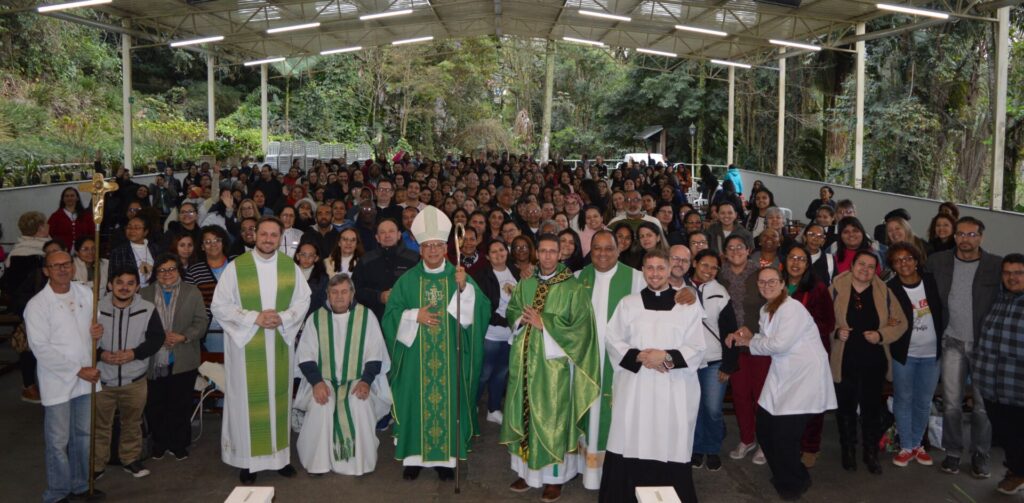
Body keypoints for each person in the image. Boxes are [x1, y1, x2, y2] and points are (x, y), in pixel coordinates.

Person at [380, 206, 491, 481]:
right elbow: (390, 316)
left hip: (450, 359)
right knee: (413, 402)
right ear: (419, 250)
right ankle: (413, 458)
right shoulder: (407, 281)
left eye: (438, 246)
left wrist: (465, 290)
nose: (432, 251)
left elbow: (481, 311)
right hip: (414, 359)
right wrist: (412, 315)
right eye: (427, 246)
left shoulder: (459, 277)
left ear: (446, 248)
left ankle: (446, 459)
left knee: (447, 402)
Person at [598, 248, 705, 503]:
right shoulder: (629, 303)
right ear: (642, 271)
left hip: (673, 386)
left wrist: (665, 357)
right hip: (636, 386)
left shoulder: (686, 305)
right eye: (650, 268)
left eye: (660, 268)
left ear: (670, 270)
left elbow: (697, 347)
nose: (655, 273)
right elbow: (612, 338)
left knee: (668, 437)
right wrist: (640, 356)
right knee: (631, 434)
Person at [210, 217, 312, 484]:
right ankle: (248, 462)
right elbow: (219, 305)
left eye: (273, 235)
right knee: (247, 401)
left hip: (278, 342)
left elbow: (303, 301)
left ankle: (280, 459)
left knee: (278, 399)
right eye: (264, 234)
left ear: (280, 239)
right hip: (247, 348)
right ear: (255, 235)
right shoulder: (237, 267)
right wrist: (254, 317)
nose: (268, 239)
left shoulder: (289, 267)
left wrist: (284, 317)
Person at [726, 267, 837, 501]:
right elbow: (768, 341)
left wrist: (747, 342)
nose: (766, 286)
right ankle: (791, 474)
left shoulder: (792, 308)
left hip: (803, 377)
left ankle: (792, 484)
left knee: (785, 436)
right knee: (765, 428)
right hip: (783, 374)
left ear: (783, 283)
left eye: (772, 281)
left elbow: (779, 345)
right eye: (762, 282)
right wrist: (750, 335)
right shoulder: (767, 309)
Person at [502, 234, 600, 502]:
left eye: (551, 252)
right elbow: (511, 311)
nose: (546, 256)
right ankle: (526, 471)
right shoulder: (527, 283)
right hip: (523, 363)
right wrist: (520, 319)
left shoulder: (573, 288)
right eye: (542, 251)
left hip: (554, 367)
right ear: (537, 254)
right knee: (525, 414)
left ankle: (555, 478)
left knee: (552, 420)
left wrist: (544, 322)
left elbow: (582, 329)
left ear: (560, 254)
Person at [25, 251, 105, 503]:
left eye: (66, 264)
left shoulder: (85, 294)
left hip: (85, 378)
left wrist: (98, 332)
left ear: (73, 267)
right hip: (57, 380)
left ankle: (80, 484)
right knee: (58, 440)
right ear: (46, 271)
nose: (62, 269)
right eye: (55, 266)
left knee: (83, 436)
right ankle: (58, 492)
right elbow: (41, 348)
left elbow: (96, 328)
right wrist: (77, 370)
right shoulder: (37, 305)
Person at [926, 216, 1002, 478]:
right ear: (954, 236)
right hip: (952, 342)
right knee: (951, 403)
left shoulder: (996, 265)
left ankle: (981, 454)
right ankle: (953, 452)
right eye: (960, 234)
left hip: (984, 346)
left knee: (982, 406)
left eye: (971, 235)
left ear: (981, 237)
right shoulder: (939, 261)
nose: (965, 239)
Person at [295, 273, 392, 476]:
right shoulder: (315, 319)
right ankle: (318, 462)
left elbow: (375, 355)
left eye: (344, 292)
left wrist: (366, 382)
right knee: (322, 404)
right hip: (323, 380)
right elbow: (305, 356)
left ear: (352, 294)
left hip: (358, 379)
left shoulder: (366, 316)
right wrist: (316, 382)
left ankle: (357, 463)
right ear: (327, 295)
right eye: (334, 292)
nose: (339, 297)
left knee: (359, 403)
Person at [576, 230, 646, 490]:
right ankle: (590, 472)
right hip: (588, 363)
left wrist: (686, 293)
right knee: (591, 417)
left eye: (609, 248)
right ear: (590, 251)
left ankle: (618, 472)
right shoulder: (578, 278)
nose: (603, 253)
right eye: (597, 248)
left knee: (619, 416)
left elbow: (662, 294)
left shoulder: (636, 278)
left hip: (622, 365)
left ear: (619, 250)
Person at [829, 250, 907, 474]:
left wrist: (881, 335)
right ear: (852, 265)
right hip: (844, 360)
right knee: (846, 408)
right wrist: (836, 332)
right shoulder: (835, 288)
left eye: (871, 266)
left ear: (876, 270)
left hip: (874, 361)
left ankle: (870, 452)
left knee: (871, 409)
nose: (865, 269)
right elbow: (822, 321)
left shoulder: (885, 292)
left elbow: (900, 323)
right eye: (861, 264)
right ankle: (848, 451)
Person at [94, 267, 164, 479]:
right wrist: (100, 354)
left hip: (134, 380)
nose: (124, 287)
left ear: (136, 286)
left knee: (132, 423)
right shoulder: (95, 308)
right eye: (119, 282)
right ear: (110, 285)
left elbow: (156, 338)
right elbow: (80, 338)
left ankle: (130, 459)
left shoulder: (147, 308)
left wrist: (134, 354)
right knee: (99, 425)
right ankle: (96, 465)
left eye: (130, 283)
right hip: (102, 379)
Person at [140, 254, 208, 462]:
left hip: (183, 356)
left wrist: (183, 336)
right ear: (155, 273)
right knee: (156, 404)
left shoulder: (192, 292)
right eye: (162, 270)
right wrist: (157, 339)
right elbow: (139, 325)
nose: (167, 274)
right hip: (154, 359)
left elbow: (201, 321)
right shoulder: (144, 294)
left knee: (180, 404)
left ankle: (179, 443)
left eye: (171, 269)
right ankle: (159, 443)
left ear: (179, 271)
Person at [885, 242, 944, 468]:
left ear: (916, 260)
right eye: (898, 260)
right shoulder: (890, 288)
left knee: (923, 401)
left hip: (932, 355)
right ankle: (907, 446)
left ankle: (918, 443)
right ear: (893, 265)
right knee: (903, 399)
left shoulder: (931, 281)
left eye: (908, 258)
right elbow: (883, 315)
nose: (904, 263)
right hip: (905, 354)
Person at [974, 254, 1024, 495]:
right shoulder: (999, 300)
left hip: (1018, 385)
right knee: (1006, 435)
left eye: (1018, 272)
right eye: (1007, 273)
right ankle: (1016, 470)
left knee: (1018, 434)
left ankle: (1018, 472)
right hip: (992, 385)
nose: (1012, 277)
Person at [782, 245, 836, 468]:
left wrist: (802, 329)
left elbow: (828, 323)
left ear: (807, 264)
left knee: (812, 404)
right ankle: (789, 444)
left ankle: (811, 447)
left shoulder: (818, 288)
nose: (796, 263)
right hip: (783, 356)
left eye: (801, 259)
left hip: (810, 355)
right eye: (792, 258)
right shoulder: (776, 285)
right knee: (788, 403)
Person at [718, 234, 768, 464]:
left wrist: (752, 329)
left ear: (749, 250)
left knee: (761, 395)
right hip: (733, 347)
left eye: (740, 247)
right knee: (740, 395)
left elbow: (772, 306)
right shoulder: (719, 276)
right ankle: (747, 439)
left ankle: (765, 442)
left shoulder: (760, 274)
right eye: (730, 247)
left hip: (759, 343)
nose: (735, 250)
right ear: (725, 252)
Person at [690, 249, 740, 472]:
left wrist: (729, 365)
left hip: (714, 360)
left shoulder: (721, 292)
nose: (708, 271)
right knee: (694, 407)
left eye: (713, 267)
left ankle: (711, 449)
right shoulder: (680, 287)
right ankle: (696, 448)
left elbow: (730, 331)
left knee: (712, 408)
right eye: (704, 265)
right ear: (695, 263)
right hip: (689, 361)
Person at [471, 239, 520, 424]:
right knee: (484, 372)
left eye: (501, 250)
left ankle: (493, 409)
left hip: (511, 334)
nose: (498, 254)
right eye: (493, 251)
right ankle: (471, 405)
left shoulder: (515, 271)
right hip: (491, 333)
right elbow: (484, 309)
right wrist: (509, 321)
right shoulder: (482, 276)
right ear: (487, 256)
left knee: (502, 372)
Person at [352, 219, 419, 321]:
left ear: (399, 235)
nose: (387, 235)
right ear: (377, 238)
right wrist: (379, 296)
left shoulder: (414, 259)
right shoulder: (366, 260)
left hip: (408, 318)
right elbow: (355, 290)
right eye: (382, 232)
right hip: (374, 318)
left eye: (391, 231)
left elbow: (421, 287)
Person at [183, 225, 232, 353]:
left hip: (236, 328)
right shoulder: (194, 271)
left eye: (217, 240)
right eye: (208, 242)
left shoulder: (236, 265)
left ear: (223, 242)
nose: (213, 244)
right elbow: (189, 303)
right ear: (202, 247)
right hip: (209, 330)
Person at [108, 216, 161, 288]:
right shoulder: (118, 251)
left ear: (145, 232)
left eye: (137, 228)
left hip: (153, 291)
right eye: (129, 227)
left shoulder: (155, 249)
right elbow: (112, 278)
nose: (132, 230)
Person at [48, 187, 94, 252]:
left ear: (77, 198)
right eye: (67, 196)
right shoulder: (55, 216)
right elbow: (50, 234)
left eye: (72, 196)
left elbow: (92, 233)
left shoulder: (86, 215)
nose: (69, 198)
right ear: (63, 199)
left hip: (84, 250)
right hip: (63, 250)